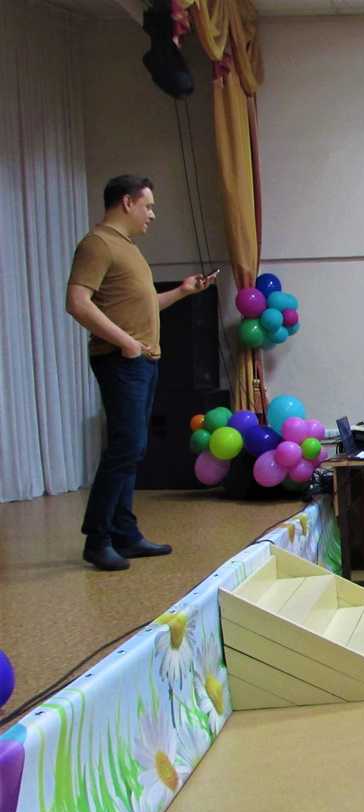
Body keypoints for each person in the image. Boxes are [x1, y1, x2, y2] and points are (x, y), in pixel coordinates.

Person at [66, 175, 214, 571]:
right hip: (121, 361)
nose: (152, 214)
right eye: (147, 205)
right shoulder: (98, 244)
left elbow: (144, 305)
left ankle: (125, 535)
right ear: (127, 202)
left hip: (141, 361)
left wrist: (182, 291)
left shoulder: (128, 248)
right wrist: (126, 343)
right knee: (125, 447)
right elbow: (77, 302)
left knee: (133, 449)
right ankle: (97, 540)